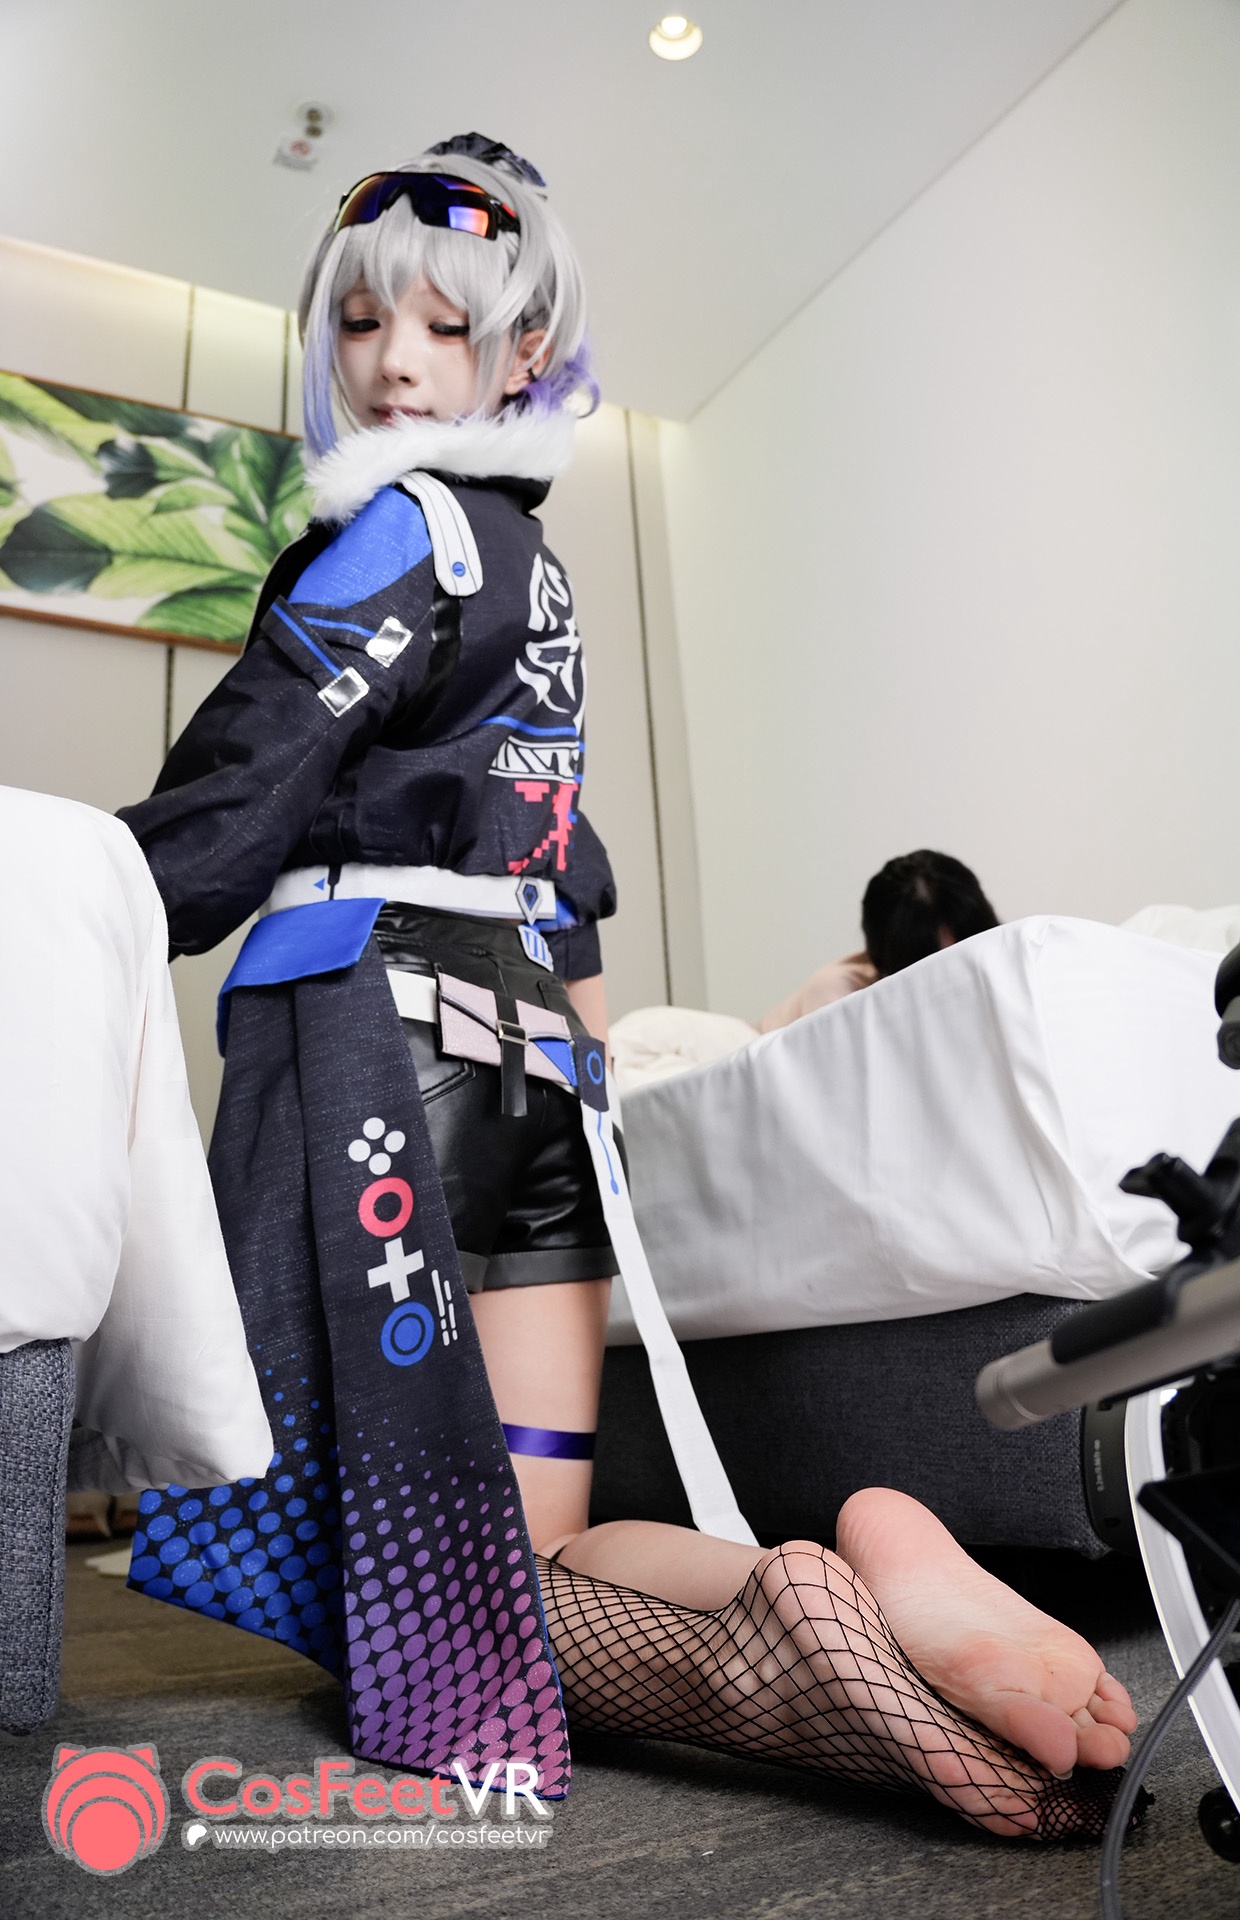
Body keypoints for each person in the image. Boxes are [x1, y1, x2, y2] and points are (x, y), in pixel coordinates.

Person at [118, 136, 1135, 1836]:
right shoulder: (541, 578)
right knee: (542, 1540)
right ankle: (820, 1597)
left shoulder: (394, 535)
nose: (391, 361)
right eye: (361, 321)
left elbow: (246, 778)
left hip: (377, 1035)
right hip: (530, 1062)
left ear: (523, 350)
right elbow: (569, 860)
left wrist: (76, 911)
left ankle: (791, 1643)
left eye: (443, 326)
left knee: (408, 1602)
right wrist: (585, 1101)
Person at [758, 849, 999, 1032]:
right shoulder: (838, 993)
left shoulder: (1001, 959)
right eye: (930, 964)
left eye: (964, 950)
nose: (952, 975)